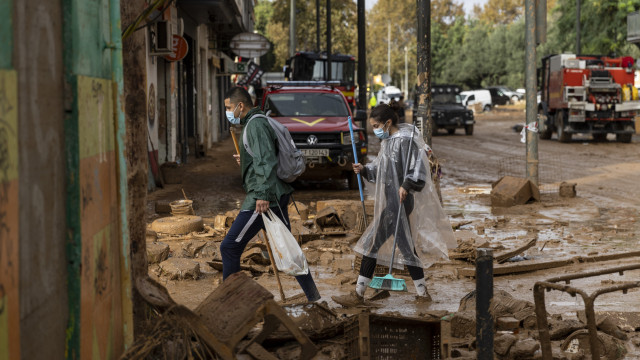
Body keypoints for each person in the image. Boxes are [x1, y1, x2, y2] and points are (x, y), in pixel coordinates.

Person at [332, 104, 456, 307]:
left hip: (400, 200)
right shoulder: (388, 141)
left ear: (388, 123)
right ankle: (422, 293)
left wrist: (407, 184)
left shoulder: (406, 141)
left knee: (372, 244)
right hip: (393, 201)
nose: (375, 129)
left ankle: (358, 295)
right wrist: (364, 169)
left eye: (376, 125)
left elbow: (418, 168)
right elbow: (381, 167)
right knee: (406, 249)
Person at [220, 86, 320, 302]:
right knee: (289, 248)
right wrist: (245, 159)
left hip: (263, 197)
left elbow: (266, 160)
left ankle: (230, 301)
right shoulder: (255, 122)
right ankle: (313, 297)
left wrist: (262, 195)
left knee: (229, 247)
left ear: (240, 106)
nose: (228, 112)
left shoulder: (255, 125)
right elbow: (261, 155)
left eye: (229, 108)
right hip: (276, 194)